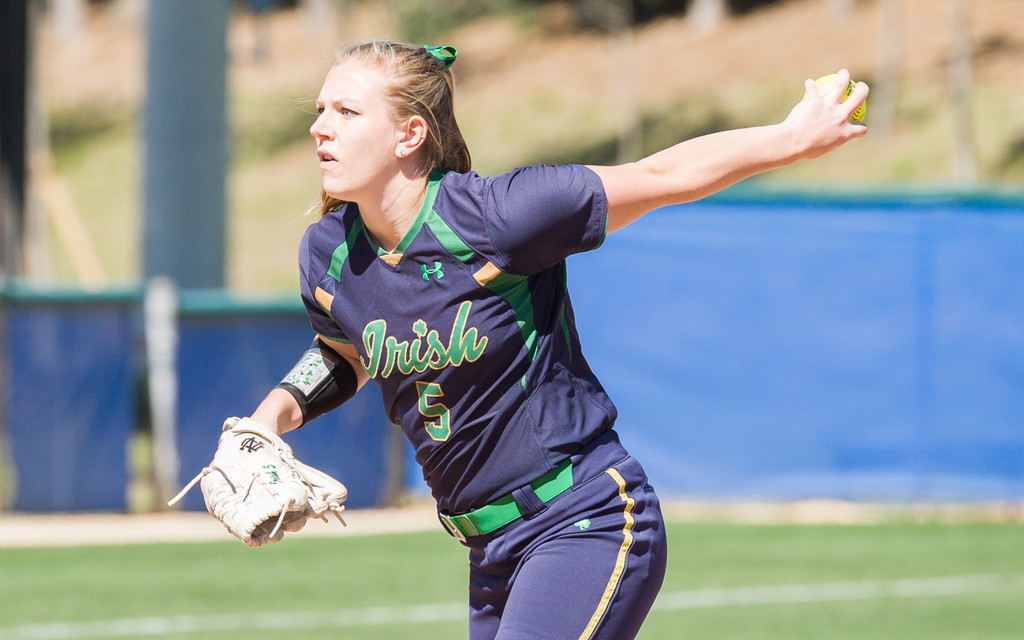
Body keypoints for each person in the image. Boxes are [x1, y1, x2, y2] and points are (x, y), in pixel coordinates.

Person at [247, 38, 868, 640]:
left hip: (583, 518)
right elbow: (346, 353)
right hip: (490, 553)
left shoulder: (496, 216)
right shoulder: (329, 255)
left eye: (347, 112)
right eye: (322, 109)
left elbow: (658, 174)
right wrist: (268, 418)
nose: (320, 127)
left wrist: (789, 140)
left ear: (410, 135)